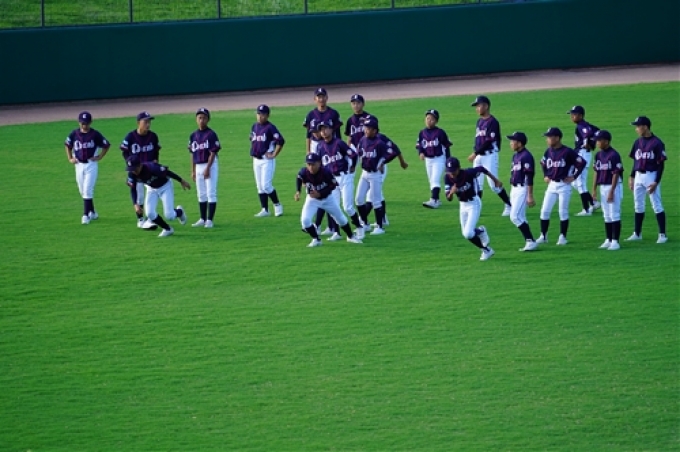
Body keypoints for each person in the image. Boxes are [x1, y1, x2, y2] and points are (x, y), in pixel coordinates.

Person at [294, 153, 363, 247]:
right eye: (308, 164)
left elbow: (333, 185)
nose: (311, 167)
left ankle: (350, 236)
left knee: (341, 219)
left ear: (319, 163)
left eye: (313, 164)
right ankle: (316, 239)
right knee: (305, 221)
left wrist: (320, 193)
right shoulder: (304, 171)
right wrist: (298, 191)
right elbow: (299, 178)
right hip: (312, 199)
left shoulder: (326, 172)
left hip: (328, 199)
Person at [303, 88, 343, 235]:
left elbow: (338, 134)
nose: (321, 99)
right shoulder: (311, 115)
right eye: (318, 97)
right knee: (318, 185)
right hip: (315, 148)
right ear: (315, 99)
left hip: (330, 148)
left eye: (323, 96)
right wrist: (308, 151)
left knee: (324, 186)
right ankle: (321, 225)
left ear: (327, 98)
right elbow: (308, 135)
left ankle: (325, 226)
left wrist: (338, 148)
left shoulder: (333, 113)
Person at [537, 127, 586, 246]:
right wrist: (545, 175)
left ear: (557, 138)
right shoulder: (548, 151)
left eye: (549, 137)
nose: (547, 139)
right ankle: (543, 236)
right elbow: (542, 163)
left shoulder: (568, 151)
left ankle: (562, 237)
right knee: (544, 211)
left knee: (562, 211)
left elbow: (581, 163)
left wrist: (574, 177)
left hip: (564, 185)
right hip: (552, 185)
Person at [316, 121, 364, 240]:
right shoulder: (320, 146)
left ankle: (359, 227)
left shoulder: (339, 143)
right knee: (334, 208)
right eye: (321, 130)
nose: (323, 132)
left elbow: (353, 155)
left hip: (344, 177)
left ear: (331, 130)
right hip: (331, 180)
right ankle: (337, 233)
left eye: (326, 129)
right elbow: (319, 164)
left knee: (348, 207)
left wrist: (353, 166)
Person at [444, 157, 498, 261]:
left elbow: (482, 169)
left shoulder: (468, 173)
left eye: (453, 171)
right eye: (449, 171)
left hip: (474, 203)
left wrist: (495, 180)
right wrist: (451, 193)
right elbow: (448, 198)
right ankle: (481, 232)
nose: (451, 174)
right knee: (465, 234)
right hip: (462, 205)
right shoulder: (447, 178)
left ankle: (486, 250)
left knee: (468, 233)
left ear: (459, 168)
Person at [125, 154, 190, 237]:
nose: (133, 171)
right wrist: (135, 204)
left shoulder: (152, 167)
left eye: (135, 169)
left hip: (165, 187)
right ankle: (167, 229)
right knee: (149, 213)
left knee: (169, 215)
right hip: (151, 189)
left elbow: (168, 172)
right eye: (131, 169)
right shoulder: (132, 174)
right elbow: (133, 189)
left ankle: (180, 212)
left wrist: (181, 180)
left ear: (140, 165)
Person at [625, 116, 668, 243]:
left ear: (645, 127)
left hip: (651, 175)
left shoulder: (657, 143)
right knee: (638, 205)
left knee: (656, 205)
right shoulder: (637, 142)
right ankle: (637, 233)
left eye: (638, 126)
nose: (636, 129)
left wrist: (656, 181)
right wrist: (632, 176)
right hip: (638, 175)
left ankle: (662, 235)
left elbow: (661, 164)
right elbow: (636, 161)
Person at [468, 95, 512, 216]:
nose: (477, 108)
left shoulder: (493, 122)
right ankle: (476, 210)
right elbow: (478, 139)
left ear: (486, 106)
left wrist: (475, 153)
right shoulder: (479, 121)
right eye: (476, 106)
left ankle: (509, 205)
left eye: (478, 106)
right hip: (479, 156)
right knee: (477, 184)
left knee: (493, 185)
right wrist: (476, 151)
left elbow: (489, 141)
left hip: (490, 156)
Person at [64, 111, 111, 224]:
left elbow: (106, 145)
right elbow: (67, 145)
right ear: (79, 122)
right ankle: (92, 212)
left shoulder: (95, 134)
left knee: (87, 190)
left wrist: (100, 156)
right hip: (78, 165)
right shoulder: (74, 134)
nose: (84, 125)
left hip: (91, 164)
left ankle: (85, 215)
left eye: (86, 123)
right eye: (82, 123)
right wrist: (70, 158)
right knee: (82, 191)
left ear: (90, 122)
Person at [120, 111, 162, 228]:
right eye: (145, 122)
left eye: (149, 122)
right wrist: (129, 162)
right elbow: (124, 150)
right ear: (138, 123)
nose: (148, 124)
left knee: (152, 193)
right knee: (139, 195)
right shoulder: (130, 137)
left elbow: (156, 150)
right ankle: (140, 219)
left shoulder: (153, 136)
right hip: (136, 170)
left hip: (149, 171)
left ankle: (150, 218)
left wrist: (156, 160)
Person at [188, 107, 221, 228]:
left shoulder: (211, 134)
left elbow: (213, 153)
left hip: (210, 165)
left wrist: (207, 168)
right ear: (196, 119)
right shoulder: (193, 135)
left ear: (208, 120)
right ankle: (202, 218)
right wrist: (193, 171)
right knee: (201, 194)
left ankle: (209, 220)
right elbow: (192, 154)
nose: (201, 120)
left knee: (211, 193)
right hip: (198, 165)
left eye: (204, 118)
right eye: (199, 118)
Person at [591, 130, 624, 250]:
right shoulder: (598, 155)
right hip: (603, 186)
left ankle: (615, 241)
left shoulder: (614, 155)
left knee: (614, 213)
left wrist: (612, 191)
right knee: (606, 214)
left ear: (606, 141)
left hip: (613, 186)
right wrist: (594, 189)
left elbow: (616, 174)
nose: (597, 142)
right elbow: (596, 172)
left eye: (599, 140)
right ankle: (608, 239)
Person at [355, 117, 388, 234]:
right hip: (364, 173)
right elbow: (359, 152)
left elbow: (388, 154)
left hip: (375, 174)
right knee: (359, 199)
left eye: (369, 128)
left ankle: (379, 227)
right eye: (366, 128)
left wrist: (382, 163)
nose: (366, 130)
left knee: (376, 200)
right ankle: (365, 224)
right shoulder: (363, 140)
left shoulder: (379, 143)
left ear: (375, 130)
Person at [250, 104, 285, 218]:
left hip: (267, 160)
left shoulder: (270, 127)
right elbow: (253, 140)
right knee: (260, 186)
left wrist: (274, 154)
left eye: (263, 114)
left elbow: (281, 141)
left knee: (266, 185)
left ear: (268, 115)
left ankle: (277, 205)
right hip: (256, 159)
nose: (260, 116)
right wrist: (253, 152)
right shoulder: (254, 126)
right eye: (258, 114)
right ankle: (264, 209)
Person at [506, 132, 538, 251]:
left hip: (522, 189)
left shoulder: (526, 156)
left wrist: (530, 195)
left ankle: (531, 240)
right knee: (521, 217)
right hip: (514, 189)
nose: (510, 143)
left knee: (514, 216)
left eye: (512, 141)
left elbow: (529, 177)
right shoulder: (515, 156)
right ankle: (529, 242)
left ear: (519, 143)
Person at [567, 105, 601, 216]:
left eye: (574, 114)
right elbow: (598, 132)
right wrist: (593, 142)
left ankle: (586, 210)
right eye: (571, 114)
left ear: (581, 115)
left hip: (582, 154)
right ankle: (593, 203)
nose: (572, 116)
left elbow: (587, 133)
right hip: (581, 154)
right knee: (574, 182)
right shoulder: (585, 125)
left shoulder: (582, 126)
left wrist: (587, 143)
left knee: (580, 183)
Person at [416, 109, 452, 208]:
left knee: (435, 179)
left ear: (436, 121)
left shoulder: (440, 132)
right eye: (427, 118)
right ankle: (437, 200)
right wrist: (421, 153)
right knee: (431, 180)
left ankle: (434, 200)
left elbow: (447, 147)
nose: (429, 121)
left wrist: (448, 161)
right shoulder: (422, 133)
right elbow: (420, 145)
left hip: (439, 159)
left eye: (432, 119)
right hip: (428, 160)